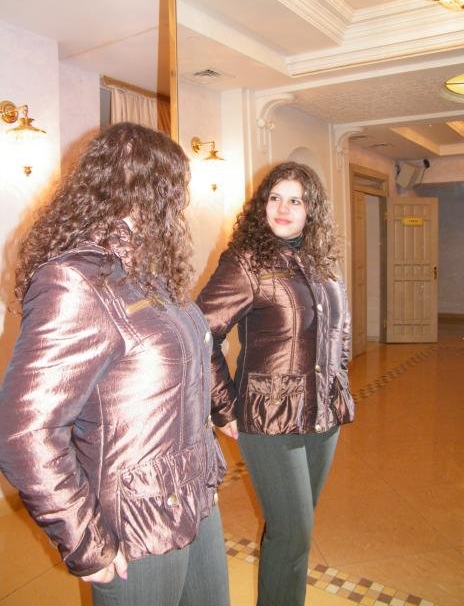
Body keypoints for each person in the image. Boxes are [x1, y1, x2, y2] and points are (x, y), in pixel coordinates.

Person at [0, 123, 230, 606]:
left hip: (192, 497)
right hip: (135, 522)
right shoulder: (75, 281)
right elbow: (24, 431)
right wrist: (86, 542)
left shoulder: (151, 275)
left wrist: (204, 472)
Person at [197, 161, 354, 606]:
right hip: (268, 418)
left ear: (311, 210)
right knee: (293, 533)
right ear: (262, 205)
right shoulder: (246, 262)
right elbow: (201, 333)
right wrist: (223, 406)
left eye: (295, 201)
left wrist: (339, 383)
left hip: (323, 416)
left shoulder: (324, 263)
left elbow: (339, 332)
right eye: (275, 198)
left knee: (294, 530)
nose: (283, 209)